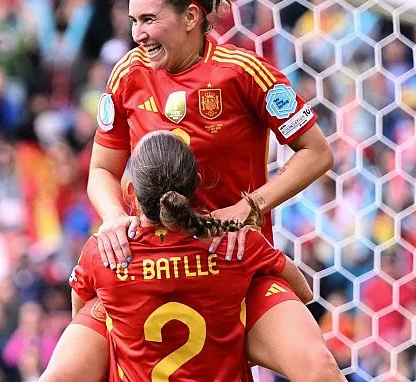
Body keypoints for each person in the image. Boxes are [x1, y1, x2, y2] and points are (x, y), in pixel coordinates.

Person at [41, 0, 341, 382]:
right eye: (133, 22)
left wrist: (249, 208)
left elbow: (317, 152)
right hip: (145, 268)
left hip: (232, 262)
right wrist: (110, 221)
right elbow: (102, 171)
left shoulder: (243, 73)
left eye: (148, 19)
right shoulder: (127, 74)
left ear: (191, 17)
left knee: (319, 368)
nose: (137, 34)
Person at [66, 130, 313, 380]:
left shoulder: (105, 252)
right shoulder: (236, 244)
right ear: (196, 184)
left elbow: (82, 314)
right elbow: (303, 292)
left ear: (131, 192)